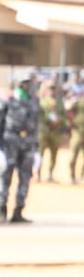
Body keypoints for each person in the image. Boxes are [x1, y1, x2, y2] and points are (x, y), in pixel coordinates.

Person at [0, 73, 40, 223]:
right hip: (10, 142)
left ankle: (18, 211)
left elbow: (37, 125)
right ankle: (1, 209)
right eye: (27, 83)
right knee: (5, 177)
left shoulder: (34, 101)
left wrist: (37, 148)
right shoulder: (8, 100)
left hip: (28, 144)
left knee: (25, 177)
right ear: (20, 83)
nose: (31, 86)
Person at [37, 80, 66, 182]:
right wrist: (48, 120)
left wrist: (59, 121)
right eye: (50, 88)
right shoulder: (42, 102)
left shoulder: (59, 102)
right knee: (40, 153)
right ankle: (38, 174)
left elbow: (63, 115)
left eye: (53, 88)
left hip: (55, 132)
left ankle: (50, 174)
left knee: (54, 154)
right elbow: (39, 116)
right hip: (44, 132)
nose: (52, 91)